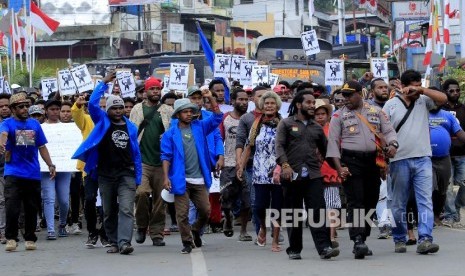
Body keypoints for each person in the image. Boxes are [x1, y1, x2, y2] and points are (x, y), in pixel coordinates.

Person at [72, 72, 142, 255]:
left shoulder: (131, 128)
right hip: (104, 174)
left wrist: (138, 176)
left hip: (126, 173)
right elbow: (93, 103)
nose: (118, 111)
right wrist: (103, 83)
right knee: (109, 210)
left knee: (126, 209)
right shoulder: (102, 121)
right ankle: (113, 241)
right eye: (114, 108)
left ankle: (125, 242)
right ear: (108, 110)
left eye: (121, 108)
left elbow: (136, 153)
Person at [327, 81, 398, 259]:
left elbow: (389, 131)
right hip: (351, 161)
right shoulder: (338, 116)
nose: (346, 99)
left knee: (371, 200)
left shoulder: (376, 112)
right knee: (356, 201)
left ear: (361, 93)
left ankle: (363, 238)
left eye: (350, 95)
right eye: (344, 95)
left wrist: (393, 145)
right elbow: (333, 144)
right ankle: (357, 239)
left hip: (373, 162)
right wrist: (339, 167)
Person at [383, 69, 447, 254]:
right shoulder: (390, 105)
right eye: (412, 86)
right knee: (398, 203)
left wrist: (422, 91)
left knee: (425, 200)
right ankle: (399, 238)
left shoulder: (424, 100)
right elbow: (382, 132)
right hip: (399, 160)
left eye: (418, 85)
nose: (415, 89)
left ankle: (425, 239)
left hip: (423, 159)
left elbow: (442, 99)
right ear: (402, 86)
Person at [275, 91, 339, 260]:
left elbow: (327, 152)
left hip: (313, 176)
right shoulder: (286, 123)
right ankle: (295, 249)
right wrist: (285, 165)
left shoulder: (316, 128)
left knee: (318, 212)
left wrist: (340, 168)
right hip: (291, 176)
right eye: (309, 103)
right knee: (293, 213)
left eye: (314, 103)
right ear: (298, 105)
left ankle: (324, 248)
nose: (312, 106)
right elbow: (279, 147)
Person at [161, 89, 222, 254]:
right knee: (182, 214)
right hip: (181, 180)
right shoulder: (170, 134)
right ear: (177, 114)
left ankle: (195, 230)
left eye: (191, 111)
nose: (189, 114)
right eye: (185, 111)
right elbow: (165, 157)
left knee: (206, 210)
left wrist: (209, 97)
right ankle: (187, 242)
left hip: (200, 179)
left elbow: (217, 117)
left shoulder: (200, 127)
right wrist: (166, 178)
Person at [0, 93, 56, 251]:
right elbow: (3, 135)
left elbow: (42, 147)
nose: (25, 109)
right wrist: (2, 144)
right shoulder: (7, 124)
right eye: (21, 107)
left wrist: (51, 164)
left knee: (32, 207)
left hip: (32, 173)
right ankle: (11, 238)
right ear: (12, 109)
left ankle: (30, 238)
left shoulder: (35, 124)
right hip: (13, 172)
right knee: (12, 206)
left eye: (26, 106)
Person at [238, 91, 283, 253]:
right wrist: (241, 166)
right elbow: (248, 147)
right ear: (262, 106)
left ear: (277, 106)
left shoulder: (282, 123)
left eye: (272, 103)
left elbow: (288, 147)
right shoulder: (256, 123)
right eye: (267, 103)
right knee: (259, 206)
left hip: (277, 171)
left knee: (277, 207)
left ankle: (275, 240)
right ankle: (262, 228)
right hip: (260, 171)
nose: (269, 106)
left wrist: (283, 166)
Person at [129, 77, 173, 247]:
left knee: (160, 199)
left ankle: (157, 233)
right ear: (145, 92)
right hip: (142, 160)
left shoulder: (167, 110)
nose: (155, 91)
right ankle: (141, 226)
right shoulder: (137, 109)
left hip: (162, 161)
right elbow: (132, 132)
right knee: (141, 193)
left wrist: (166, 137)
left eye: (158, 88)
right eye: (152, 88)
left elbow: (172, 131)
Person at [71, 95, 110, 248]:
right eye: (99, 106)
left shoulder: (113, 121)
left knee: (108, 202)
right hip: (90, 167)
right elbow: (76, 115)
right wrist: (78, 105)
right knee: (89, 198)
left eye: (105, 106)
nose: (102, 110)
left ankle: (105, 234)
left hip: (108, 168)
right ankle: (92, 232)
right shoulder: (87, 119)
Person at [218, 88, 251, 240]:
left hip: (246, 165)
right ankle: (228, 218)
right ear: (232, 101)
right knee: (225, 197)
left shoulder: (252, 120)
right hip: (228, 164)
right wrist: (219, 158)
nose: (244, 102)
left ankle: (244, 230)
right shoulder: (225, 118)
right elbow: (219, 140)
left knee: (246, 199)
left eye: (246, 100)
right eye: (241, 99)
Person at [428, 95, 465, 226]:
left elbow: (460, 133)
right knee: (429, 188)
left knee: (443, 189)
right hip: (426, 158)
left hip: (444, 158)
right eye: (432, 100)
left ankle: (437, 215)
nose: (434, 102)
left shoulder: (448, 116)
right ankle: (427, 217)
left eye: (437, 100)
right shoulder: (420, 115)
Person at [235, 86, 267, 236]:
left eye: (266, 96)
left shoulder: (278, 118)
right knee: (256, 200)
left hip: (272, 166)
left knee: (272, 201)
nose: (263, 99)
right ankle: (259, 230)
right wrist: (239, 163)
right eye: (259, 96)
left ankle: (272, 229)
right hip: (251, 165)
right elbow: (240, 143)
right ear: (253, 99)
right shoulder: (246, 118)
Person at [41, 99, 72, 240]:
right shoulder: (39, 127)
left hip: (64, 167)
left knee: (64, 200)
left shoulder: (69, 128)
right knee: (49, 198)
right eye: (52, 109)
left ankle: (62, 224)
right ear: (46, 111)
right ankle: (51, 229)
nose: (55, 112)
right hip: (45, 168)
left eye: (57, 109)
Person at [314, 98, 341, 248]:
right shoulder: (309, 129)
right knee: (319, 207)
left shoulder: (333, 129)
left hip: (330, 170)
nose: (320, 116)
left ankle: (331, 236)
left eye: (322, 113)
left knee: (332, 206)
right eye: (317, 114)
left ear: (327, 115)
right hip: (313, 173)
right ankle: (323, 235)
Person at [441, 79, 465, 228]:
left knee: (464, 183)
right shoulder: (439, 109)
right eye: (451, 91)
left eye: (457, 90)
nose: (455, 93)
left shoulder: (464, 108)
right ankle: (450, 216)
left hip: (462, 153)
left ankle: (456, 209)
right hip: (445, 155)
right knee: (447, 187)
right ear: (445, 92)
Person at [0, 93, 11, 244]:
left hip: (13, 167)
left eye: (6, 106)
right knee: (2, 200)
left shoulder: (19, 123)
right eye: (0, 106)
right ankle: (3, 230)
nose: (3, 109)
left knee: (11, 200)